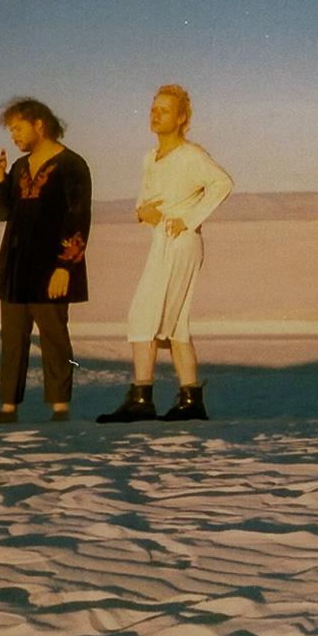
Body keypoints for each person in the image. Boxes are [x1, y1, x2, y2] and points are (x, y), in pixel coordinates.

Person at [98, 84, 233, 423]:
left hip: (180, 241)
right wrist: (143, 213)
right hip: (161, 239)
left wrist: (188, 219)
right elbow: (145, 200)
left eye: (165, 110)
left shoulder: (191, 154)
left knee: (143, 315)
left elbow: (223, 183)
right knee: (176, 325)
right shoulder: (151, 157)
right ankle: (190, 399)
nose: (156, 115)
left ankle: (141, 398)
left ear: (182, 118)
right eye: (153, 109)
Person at [0, 97, 92, 424]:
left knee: (55, 338)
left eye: (18, 128)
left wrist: (65, 267)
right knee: (12, 340)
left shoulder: (72, 165)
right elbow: (3, 212)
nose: (13, 135)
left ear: (39, 125)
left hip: (51, 269)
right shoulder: (18, 168)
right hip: (15, 268)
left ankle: (60, 408)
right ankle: (8, 408)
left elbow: (78, 218)